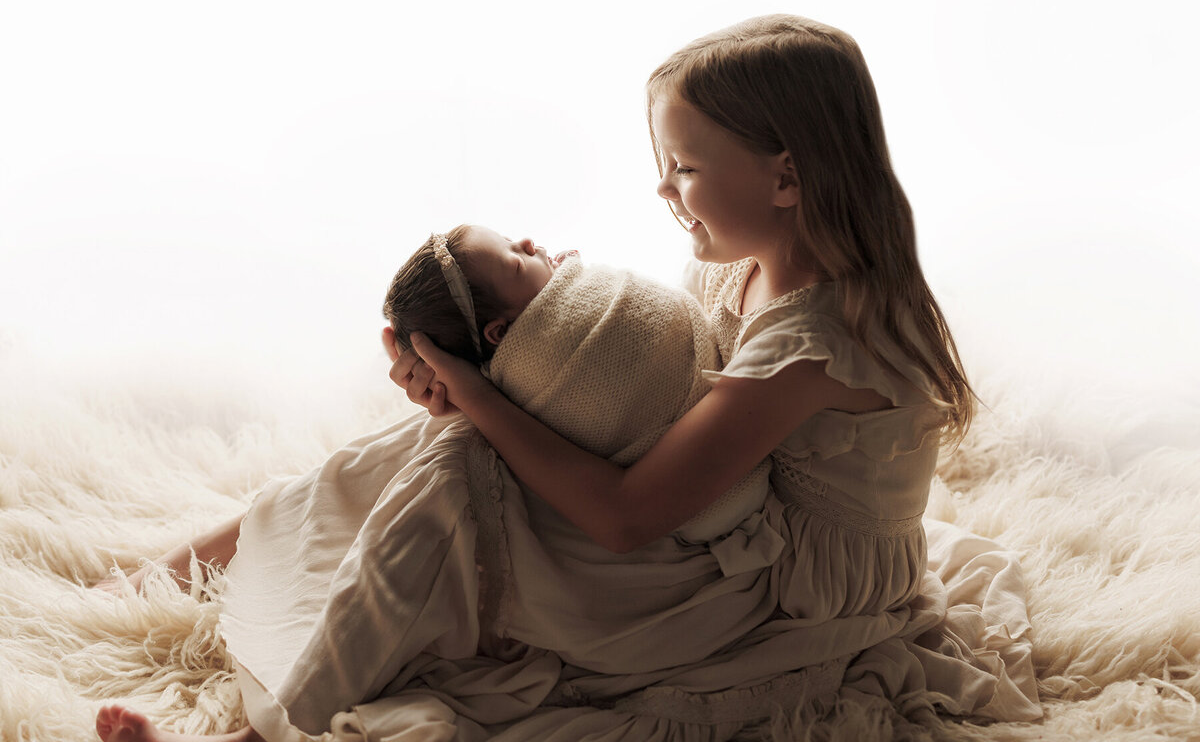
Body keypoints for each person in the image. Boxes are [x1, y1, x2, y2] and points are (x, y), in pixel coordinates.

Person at [386, 13, 1042, 736]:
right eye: (665, 166)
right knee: (464, 450)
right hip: (728, 512)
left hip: (783, 580)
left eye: (686, 169)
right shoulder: (742, 267)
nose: (664, 190)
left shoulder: (813, 342)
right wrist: (473, 392)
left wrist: (479, 397)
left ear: (786, 178)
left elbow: (626, 518)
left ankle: (317, 621)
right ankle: (262, 534)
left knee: (469, 468)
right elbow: (657, 402)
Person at [96, 222, 777, 742]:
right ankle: (187, 563)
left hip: (667, 568)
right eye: (519, 256)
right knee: (411, 446)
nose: (538, 242)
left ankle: (252, 737)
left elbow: (607, 382)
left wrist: (473, 391)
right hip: (603, 498)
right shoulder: (566, 331)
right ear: (502, 330)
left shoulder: (595, 325)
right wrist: (463, 389)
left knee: (445, 463)